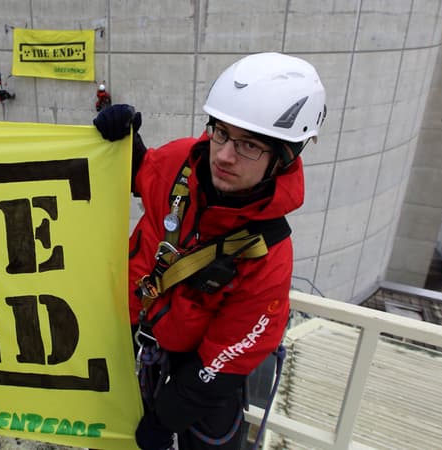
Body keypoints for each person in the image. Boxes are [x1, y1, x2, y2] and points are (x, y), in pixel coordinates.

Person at [94, 52, 326, 449]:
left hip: (197, 364)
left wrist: (166, 418)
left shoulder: (266, 254)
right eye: (220, 132)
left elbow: (226, 358)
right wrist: (122, 144)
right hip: (129, 330)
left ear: (285, 157)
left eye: (248, 145)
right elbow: (143, 177)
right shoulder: (182, 162)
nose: (223, 155)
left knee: (208, 436)